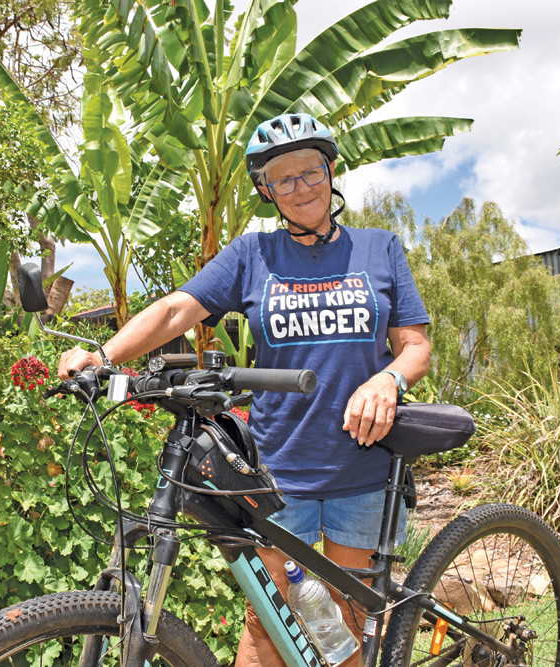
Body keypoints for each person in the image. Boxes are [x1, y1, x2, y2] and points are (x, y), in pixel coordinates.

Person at [58, 112, 431, 667]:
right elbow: (177, 309)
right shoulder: (253, 255)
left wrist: (388, 378)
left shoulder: (379, 249)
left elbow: (415, 346)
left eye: (310, 172)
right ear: (266, 191)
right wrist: (104, 355)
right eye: (283, 179)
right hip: (281, 471)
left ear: (331, 172)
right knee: (269, 623)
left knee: (345, 624)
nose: (300, 187)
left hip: (364, 466)